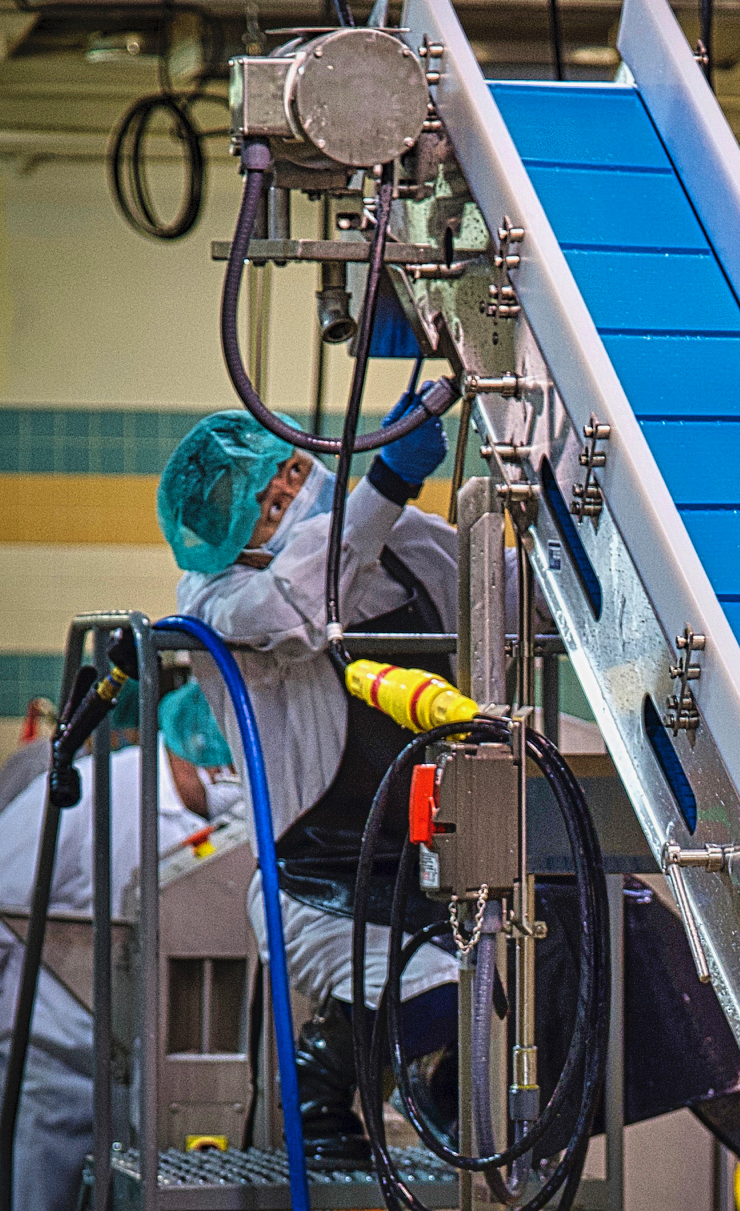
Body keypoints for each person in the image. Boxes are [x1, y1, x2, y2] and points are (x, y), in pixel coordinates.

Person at [157, 396, 466, 1168]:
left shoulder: (406, 545)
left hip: (427, 865)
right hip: (314, 884)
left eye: (273, 499)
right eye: (255, 521)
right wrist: (387, 483)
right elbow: (296, 607)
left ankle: (347, 1090)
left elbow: (497, 591)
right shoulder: (215, 601)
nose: (271, 523)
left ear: (297, 465)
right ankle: (342, 1085)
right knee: (448, 1005)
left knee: (581, 970)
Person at [0, 683, 238, 1211]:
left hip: (145, 1059)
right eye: (222, 771)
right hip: (49, 1053)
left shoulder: (235, 821)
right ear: (191, 747)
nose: (229, 786)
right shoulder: (97, 791)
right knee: (32, 1191)